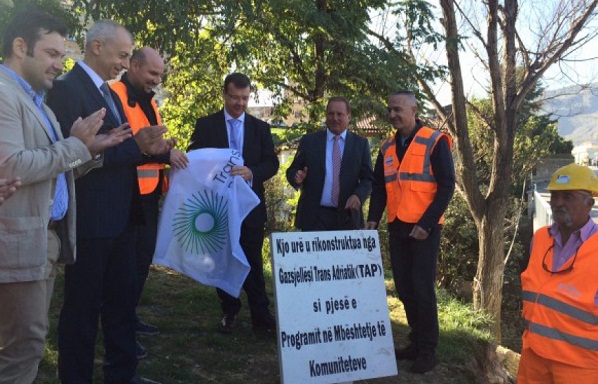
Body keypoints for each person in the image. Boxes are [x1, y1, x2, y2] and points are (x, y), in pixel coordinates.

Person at [0, 8, 131, 384]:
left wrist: (89, 150)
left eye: (62, 55)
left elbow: (56, 166)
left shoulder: (36, 98)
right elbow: (12, 166)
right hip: (19, 240)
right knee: (22, 349)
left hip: (42, 240)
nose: (60, 64)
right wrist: (76, 146)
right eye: (52, 54)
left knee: (29, 343)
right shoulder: (5, 93)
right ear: (21, 46)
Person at [46, 20, 171, 384]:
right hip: (91, 222)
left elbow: (117, 146)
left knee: (120, 305)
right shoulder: (67, 90)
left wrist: (146, 145)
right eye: (122, 55)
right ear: (96, 47)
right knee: (82, 312)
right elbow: (77, 157)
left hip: (122, 219)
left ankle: (122, 374)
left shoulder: (108, 92)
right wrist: (139, 146)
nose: (124, 63)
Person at [365, 90, 455, 374]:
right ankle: (415, 342)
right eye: (389, 110)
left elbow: (447, 186)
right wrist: (372, 219)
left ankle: (428, 350)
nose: (392, 114)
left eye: (398, 109)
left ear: (414, 110)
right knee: (403, 287)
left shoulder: (434, 141)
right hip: (397, 225)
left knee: (422, 287)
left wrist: (426, 224)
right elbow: (380, 187)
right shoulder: (387, 147)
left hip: (425, 229)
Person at [111, 47, 189, 358]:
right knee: (125, 270)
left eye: (160, 76)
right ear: (133, 66)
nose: (156, 80)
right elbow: (123, 144)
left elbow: (150, 143)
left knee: (141, 264)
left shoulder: (150, 101)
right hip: (125, 197)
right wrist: (163, 154)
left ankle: (128, 319)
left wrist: (165, 146)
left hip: (148, 195)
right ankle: (120, 329)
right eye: (152, 73)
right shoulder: (115, 93)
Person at [187, 72, 279, 335]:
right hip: (217, 208)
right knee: (222, 260)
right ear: (224, 95)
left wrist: (252, 172)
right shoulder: (206, 125)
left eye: (245, 98)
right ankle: (229, 310)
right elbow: (194, 157)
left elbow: (271, 163)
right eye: (235, 98)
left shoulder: (260, 128)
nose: (240, 103)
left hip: (250, 208)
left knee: (252, 262)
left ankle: (261, 317)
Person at [518, 163, 598, 384]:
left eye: (568, 197)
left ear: (589, 203)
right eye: (555, 196)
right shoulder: (541, 238)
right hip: (533, 356)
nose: (558, 203)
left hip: (580, 368)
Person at [286, 97, 373, 231]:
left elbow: (368, 179)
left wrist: (358, 196)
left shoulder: (360, 144)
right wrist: (296, 177)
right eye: (331, 114)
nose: (335, 118)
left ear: (349, 117)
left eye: (339, 114)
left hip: (347, 218)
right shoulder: (310, 141)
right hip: (314, 218)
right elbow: (292, 170)